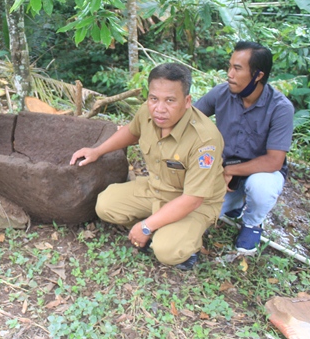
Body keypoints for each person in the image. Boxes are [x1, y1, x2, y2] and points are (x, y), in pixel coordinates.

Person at [71, 63, 226, 270]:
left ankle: (188, 238)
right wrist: (97, 150)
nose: (160, 108)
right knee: (105, 205)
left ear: (187, 101)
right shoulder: (148, 112)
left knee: (166, 250)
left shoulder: (205, 139)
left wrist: (145, 226)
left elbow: (193, 199)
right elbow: (132, 132)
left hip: (193, 203)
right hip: (157, 189)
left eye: (170, 100)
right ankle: (162, 223)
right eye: (154, 99)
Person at [195, 41, 294, 254]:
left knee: (261, 188)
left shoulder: (281, 108)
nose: (229, 74)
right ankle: (236, 203)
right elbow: (190, 118)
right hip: (223, 171)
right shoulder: (221, 93)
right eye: (229, 66)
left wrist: (228, 171)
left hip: (259, 172)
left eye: (237, 68)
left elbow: (274, 161)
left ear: (258, 75)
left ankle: (252, 222)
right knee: (198, 211)